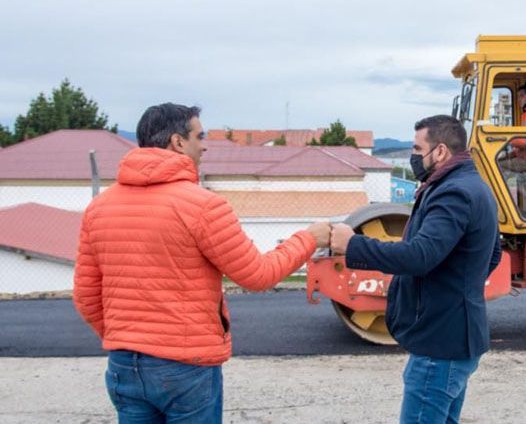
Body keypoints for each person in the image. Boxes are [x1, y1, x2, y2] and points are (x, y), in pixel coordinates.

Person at [73, 103, 331, 423]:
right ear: (178, 142)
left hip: (124, 364)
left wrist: (127, 338)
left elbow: (86, 296)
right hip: (186, 368)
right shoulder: (203, 206)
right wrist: (309, 239)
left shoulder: (99, 208)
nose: (204, 145)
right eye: (200, 136)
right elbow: (257, 275)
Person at [330, 115, 501, 424]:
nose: (413, 157)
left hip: (440, 346)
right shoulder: (475, 187)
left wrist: (353, 245)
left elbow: (420, 255)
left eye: (417, 149)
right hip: (454, 340)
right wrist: (459, 288)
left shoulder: (453, 193)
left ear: (440, 151)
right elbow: (493, 255)